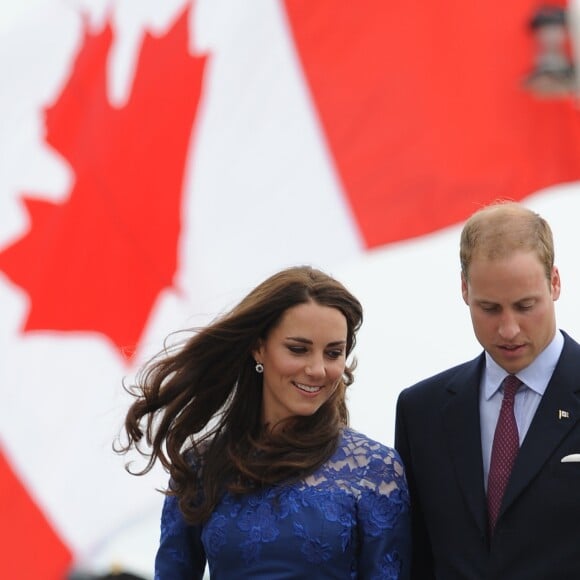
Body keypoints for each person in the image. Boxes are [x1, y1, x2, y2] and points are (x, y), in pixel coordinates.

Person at [120, 266, 410, 579]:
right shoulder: (201, 466)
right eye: (298, 349)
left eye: (333, 353)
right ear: (259, 348)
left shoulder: (376, 468)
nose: (317, 369)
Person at [395, 201, 580, 579]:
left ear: (555, 283)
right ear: (464, 290)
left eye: (525, 306)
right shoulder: (421, 411)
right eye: (490, 308)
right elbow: (415, 557)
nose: (508, 329)